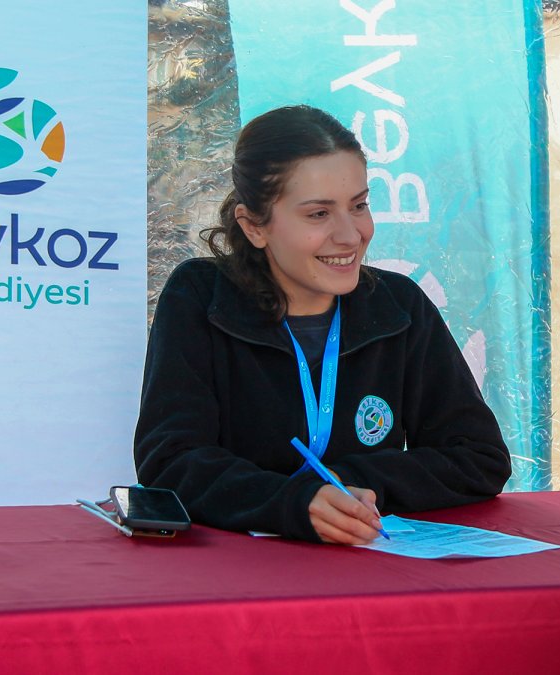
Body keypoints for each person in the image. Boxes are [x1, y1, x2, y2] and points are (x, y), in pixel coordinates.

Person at [134, 105, 511, 545]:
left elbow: (479, 458)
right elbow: (171, 461)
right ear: (254, 226)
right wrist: (292, 501)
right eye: (318, 214)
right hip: (239, 581)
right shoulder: (201, 296)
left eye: (359, 206)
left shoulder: (397, 304)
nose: (350, 235)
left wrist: (350, 482)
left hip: (369, 572)